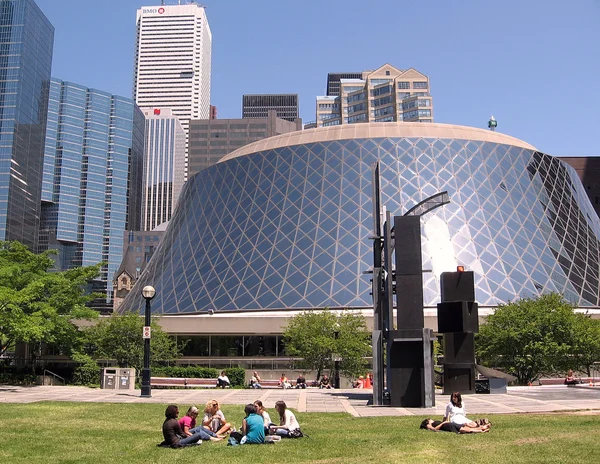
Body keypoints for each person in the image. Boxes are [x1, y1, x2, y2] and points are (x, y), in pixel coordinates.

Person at [420, 418, 489, 434]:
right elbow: (435, 429)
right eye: (429, 419)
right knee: (463, 429)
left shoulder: (433, 422)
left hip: (449, 424)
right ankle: (481, 430)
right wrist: (443, 423)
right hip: (447, 425)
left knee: (464, 427)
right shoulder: (429, 424)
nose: (431, 419)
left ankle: (481, 428)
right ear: (427, 421)